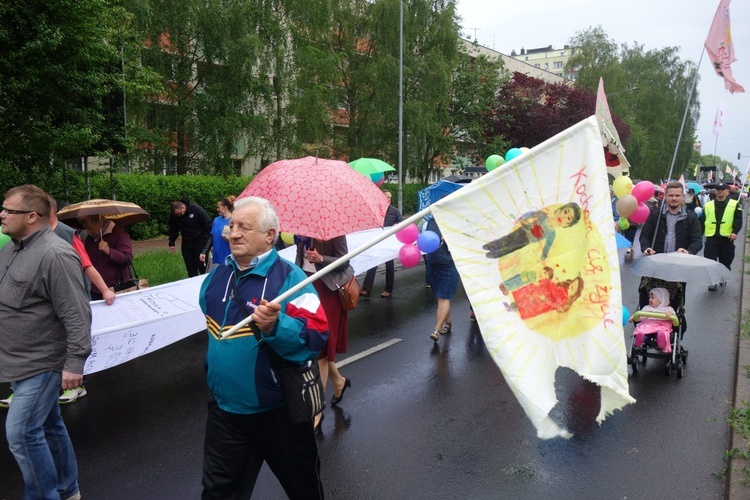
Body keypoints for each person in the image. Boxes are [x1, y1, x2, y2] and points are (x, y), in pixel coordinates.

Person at [200, 196, 328, 499]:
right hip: (225, 411)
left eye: (245, 227)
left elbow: (316, 336)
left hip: (278, 413)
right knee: (217, 493)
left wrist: (275, 326)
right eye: (233, 225)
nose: (234, 233)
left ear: (270, 235)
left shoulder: (291, 279)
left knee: (304, 490)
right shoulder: (218, 276)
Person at [0, 184, 91, 500]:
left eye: (8, 210)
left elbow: (77, 314)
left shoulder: (55, 254)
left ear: (31, 216)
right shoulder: (11, 249)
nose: (2, 214)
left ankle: (42, 495)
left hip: (42, 363)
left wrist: (74, 363)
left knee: (21, 433)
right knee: (50, 427)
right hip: (16, 360)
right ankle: (68, 490)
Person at [295, 234, 353, 429]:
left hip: (327, 289)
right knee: (315, 345)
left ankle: (317, 410)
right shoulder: (301, 230)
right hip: (306, 285)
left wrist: (321, 259)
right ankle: (339, 382)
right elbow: (300, 260)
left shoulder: (333, 229)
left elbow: (344, 261)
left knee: (320, 348)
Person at [483, 202, 582, 261]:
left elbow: (547, 245)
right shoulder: (544, 216)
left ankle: (493, 254)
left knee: (510, 248)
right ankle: (491, 246)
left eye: (568, 219)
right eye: (565, 212)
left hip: (526, 241)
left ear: (566, 225)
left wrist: (543, 257)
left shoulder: (552, 233)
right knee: (507, 239)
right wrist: (521, 219)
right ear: (559, 210)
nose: (564, 217)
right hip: (522, 230)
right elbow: (531, 214)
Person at [78, 214, 134, 300]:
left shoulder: (120, 234)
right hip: (96, 289)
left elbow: (127, 259)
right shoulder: (90, 239)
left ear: (101, 224)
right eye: (87, 228)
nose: (88, 232)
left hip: (117, 288)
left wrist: (109, 251)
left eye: (90, 228)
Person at [639, 181, 703, 256]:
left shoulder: (691, 217)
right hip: (657, 260)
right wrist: (646, 247)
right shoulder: (655, 214)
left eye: (677, 195)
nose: (674, 198)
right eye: (671, 195)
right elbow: (644, 236)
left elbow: (697, 241)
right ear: (665, 196)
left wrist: (689, 251)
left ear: (682, 196)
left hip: (681, 261)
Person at [361, 190, 403, 298]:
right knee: (372, 264)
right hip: (377, 241)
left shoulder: (394, 211)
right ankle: (366, 289)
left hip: (389, 243)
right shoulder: (375, 211)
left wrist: (397, 224)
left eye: (389, 197)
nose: (387, 199)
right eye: (385, 197)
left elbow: (402, 222)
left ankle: (388, 290)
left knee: (389, 266)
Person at [701, 182, 742, 291]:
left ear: (727, 192)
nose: (719, 191)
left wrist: (735, 232)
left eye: (722, 189)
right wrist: (698, 235)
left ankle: (723, 277)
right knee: (710, 260)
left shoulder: (734, 204)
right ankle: (712, 281)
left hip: (727, 238)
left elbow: (738, 220)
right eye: (718, 189)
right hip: (712, 237)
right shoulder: (709, 205)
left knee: (726, 260)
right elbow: (702, 220)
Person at [425, 216, 459, 342]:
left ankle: (436, 329)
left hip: (448, 265)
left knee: (443, 297)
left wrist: (452, 240)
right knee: (440, 296)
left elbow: (465, 242)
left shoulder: (455, 222)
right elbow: (424, 238)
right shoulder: (431, 221)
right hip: (432, 263)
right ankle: (448, 321)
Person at [168, 198, 212, 277]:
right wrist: (171, 242)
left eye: (179, 214)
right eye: (176, 215)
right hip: (186, 243)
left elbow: (208, 225)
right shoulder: (175, 215)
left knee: (202, 267)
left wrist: (211, 243)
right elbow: (174, 229)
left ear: (183, 208)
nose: (178, 216)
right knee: (191, 269)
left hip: (200, 241)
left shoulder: (197, 210)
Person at [631, 287, 677, 353]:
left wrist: (671, 315)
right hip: (648, 326)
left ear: (661, 300)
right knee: (642, 331)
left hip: (661, 327)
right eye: (649, 297)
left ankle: (661, 340)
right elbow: (640, 315)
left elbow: (674, 317)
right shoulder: (647, 308)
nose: (650, 299)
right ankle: (640, 338)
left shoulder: (668, 309)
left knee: (663, 332)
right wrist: (634, 317)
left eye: (652, 298)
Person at [200, 195, 235, 270]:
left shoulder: (234, 220)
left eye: (219, 207)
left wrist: (230, 239)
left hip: (229, 257)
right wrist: (204, 252)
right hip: (217, 257)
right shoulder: (216, 220)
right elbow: (212, 237)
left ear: (225, 207)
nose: (217, 209)